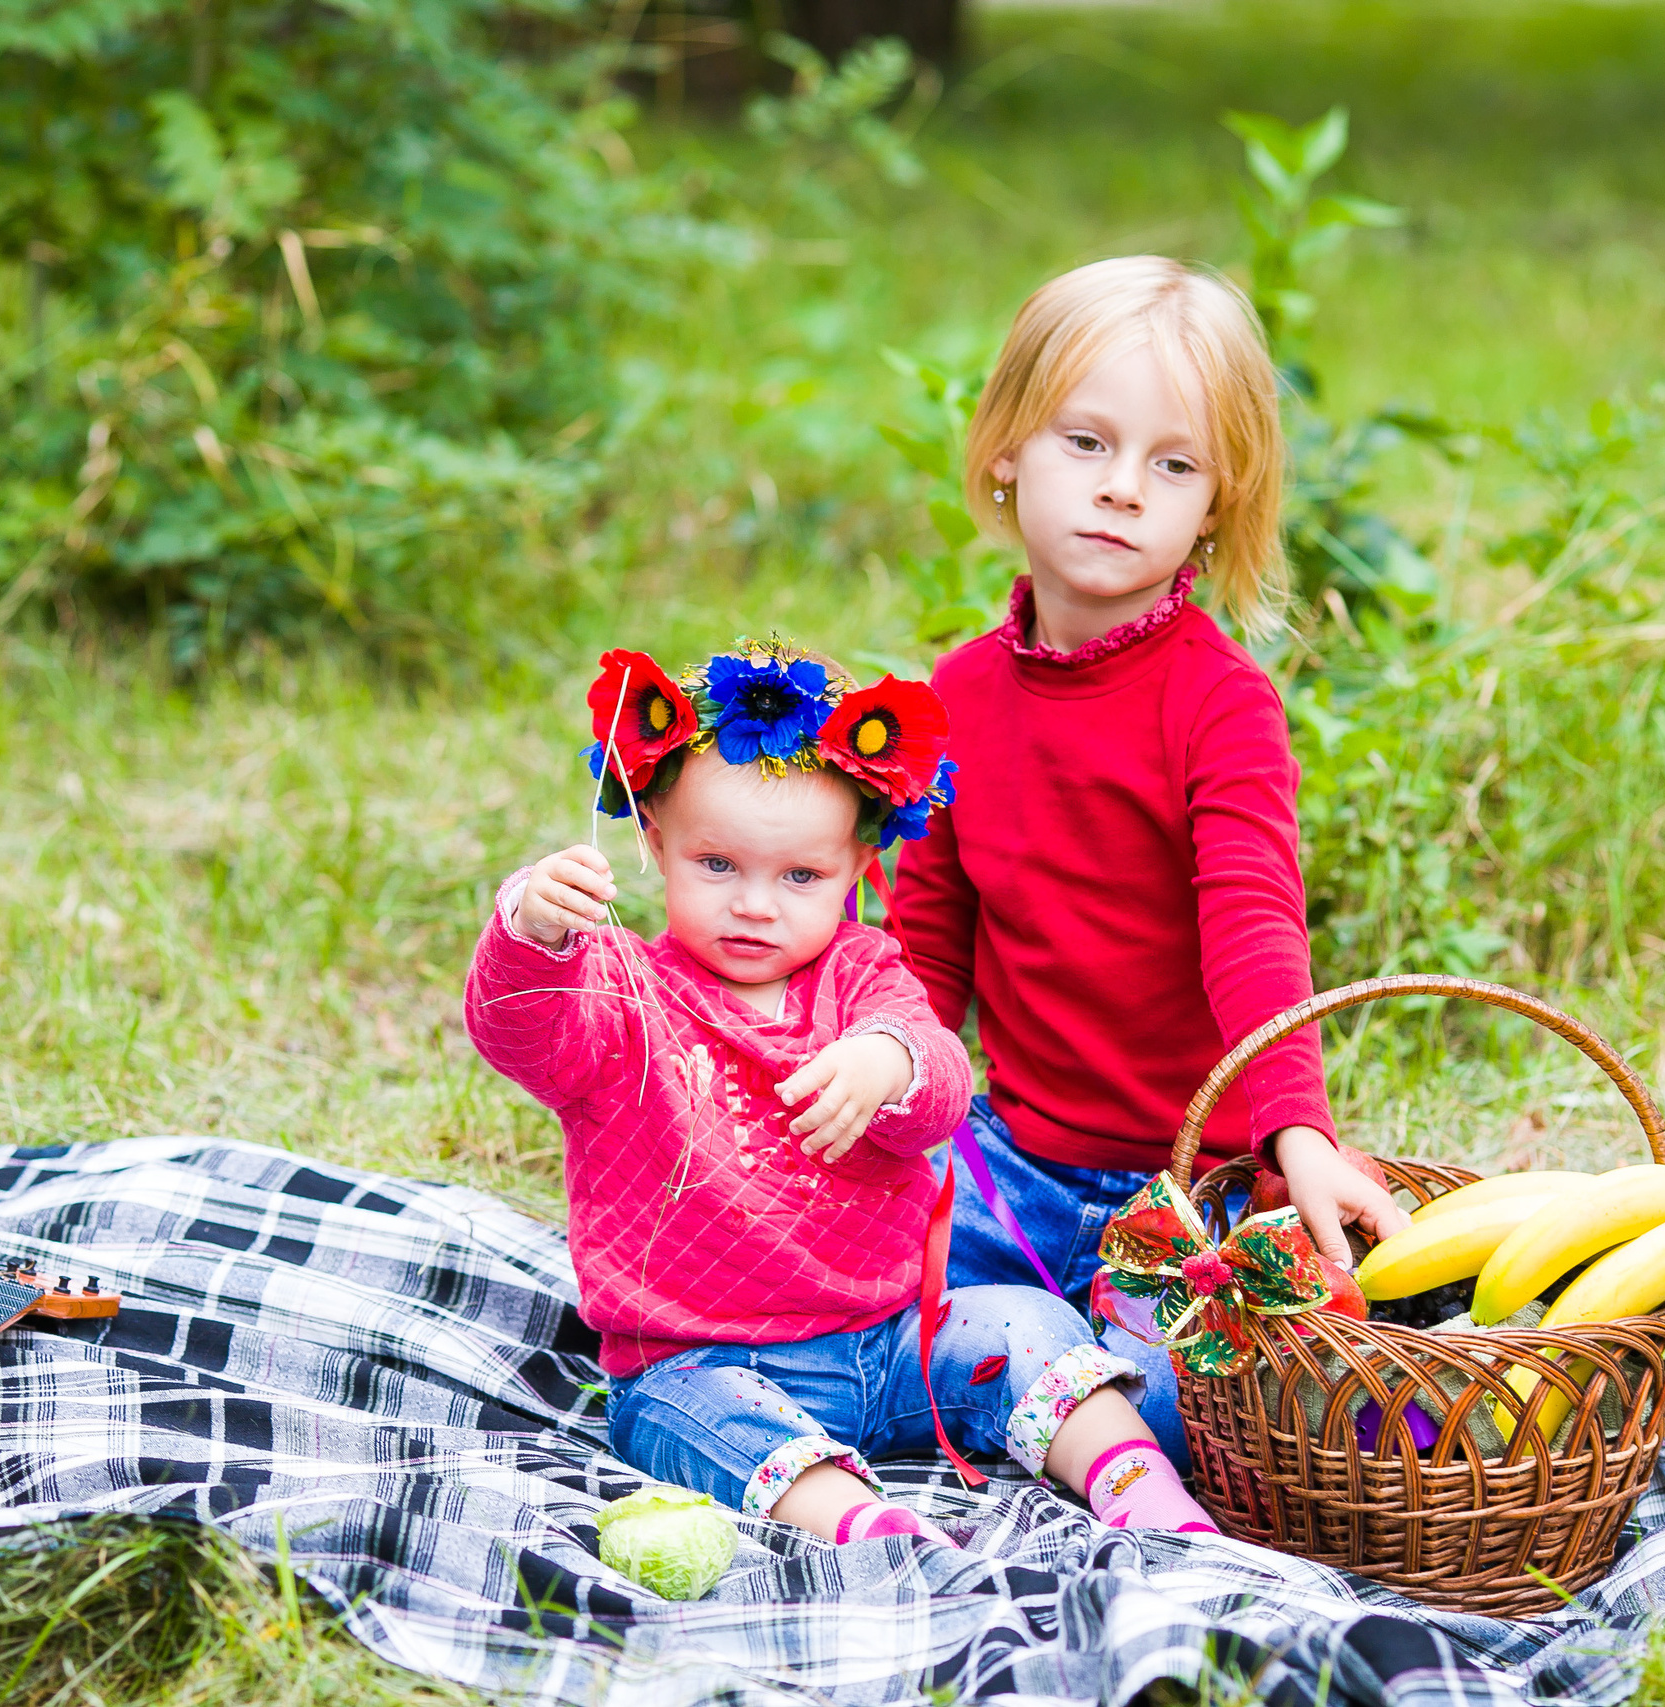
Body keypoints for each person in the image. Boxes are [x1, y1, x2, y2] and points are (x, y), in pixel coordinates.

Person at [466, 640, 1215, 1546]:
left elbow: (941, 1079)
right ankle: (865, 1523)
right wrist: (532, 929)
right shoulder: (621, 992)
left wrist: (888, 1063)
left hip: (895, 1340)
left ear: (855, 871)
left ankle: (1137, 1484)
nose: (755, 904)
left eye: (799, 877)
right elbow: (524, 1034)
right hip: (702, 1352)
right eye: (717, 865)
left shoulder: (862, 976)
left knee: (1022, 1320)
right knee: (674, 1417)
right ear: (655, 844)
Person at [895, 256, 1408, 1465]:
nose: (1122, 490)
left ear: (1217, 505)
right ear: (1008, 448)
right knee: (845, 1315)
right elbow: (924, 944)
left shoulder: (1218, 706)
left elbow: (1252, 920)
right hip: (1009, 1175)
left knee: (1246, 1422)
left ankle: (1101, 1408)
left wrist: (1296, 1135)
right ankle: (1045, 1375)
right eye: (1086, 442)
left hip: (1190, 1188)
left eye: (1171, 465)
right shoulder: (956, 697)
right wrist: (893, 1106)